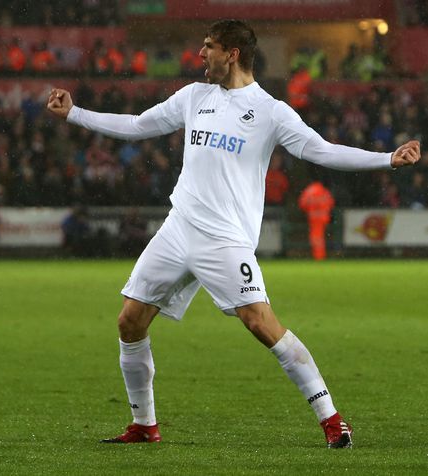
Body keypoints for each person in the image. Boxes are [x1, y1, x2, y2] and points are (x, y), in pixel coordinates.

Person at [47, 19, 421, 448]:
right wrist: (74, 113)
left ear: (233, 54)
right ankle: (144, 426)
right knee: (130, 321)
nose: (200, 54)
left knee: (261, 323)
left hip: (224, 240)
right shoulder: (194, 96)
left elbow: (321, 150)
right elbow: (137, 124)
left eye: (208, 47)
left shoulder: (270, 111)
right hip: (178, 228)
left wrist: (386, 159)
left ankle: (332, 420)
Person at [298, 180, 335, 260]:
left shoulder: (309, 191)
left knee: (316, 238)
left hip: (313, 218)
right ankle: (320, 255)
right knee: (320, 237)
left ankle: (319, 256)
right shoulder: (324, 191)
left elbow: (302, 203)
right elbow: (331, 203)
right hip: (324, 217)